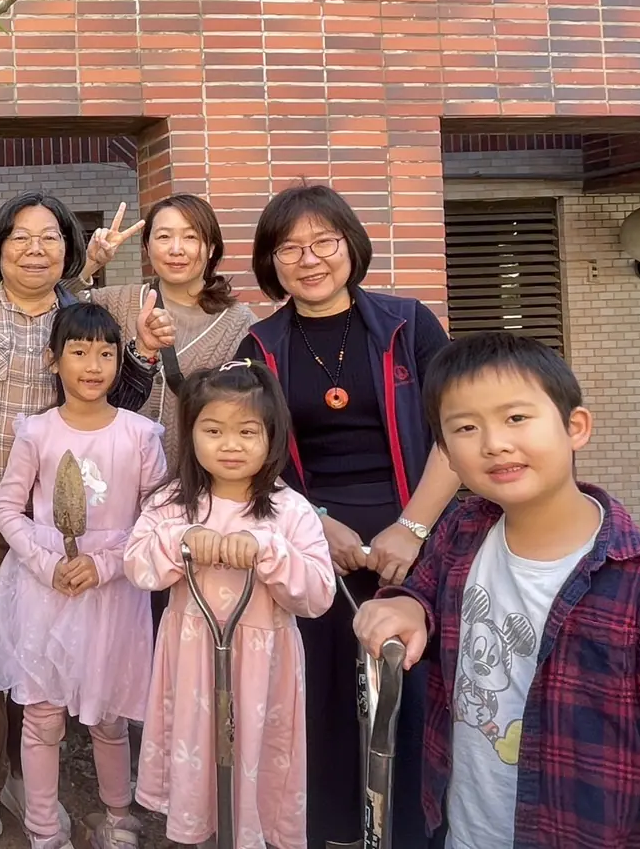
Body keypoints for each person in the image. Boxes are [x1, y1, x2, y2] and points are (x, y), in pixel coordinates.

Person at [0, 190, 171, 849]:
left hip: (59, 526)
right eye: (19, 236)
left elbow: (116, 400)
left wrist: (136, 355)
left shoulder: (81, 315)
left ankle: (29, 774)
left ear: (68, 252)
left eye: (49, 237)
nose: (34, 248)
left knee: (44, 653)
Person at [358, 331, 640, 848]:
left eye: (516, 418)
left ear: (575, 427)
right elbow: (424, 596)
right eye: (465, 427)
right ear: (447, 455)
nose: (495, 442)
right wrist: (405, 607)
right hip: (466, 829)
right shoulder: (463, 531)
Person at [233, 183, 456, 849]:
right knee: (321, 696)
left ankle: (417, 833)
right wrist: (313, 522)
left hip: (416, 530)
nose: (308, 259)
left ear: (350, 246)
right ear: (269, 262)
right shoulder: (258, 343)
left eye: (322, 242)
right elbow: (253, 452)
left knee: (414, 695)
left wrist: (412, 528)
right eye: (289, 247)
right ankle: (330, 832)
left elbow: (455, 429)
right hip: (312, 537)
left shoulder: (406, 323)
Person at [125, 359, 335, 849]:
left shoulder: (290, 510)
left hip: (265, 669)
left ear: (272, 436)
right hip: (193, 659)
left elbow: (319, 593)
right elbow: (137, 566)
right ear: (192, 435)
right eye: (213, 430)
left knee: (256, 764)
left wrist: (268, 550)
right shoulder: (172, 503)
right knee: (199, 759)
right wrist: (182, 539)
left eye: (247, 431)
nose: (231, 444)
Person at [0, 303, 168, 849]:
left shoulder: (140, 434)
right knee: (42, 715)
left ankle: (118, 818)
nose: (94, 365)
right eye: (80, 352)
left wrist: (105, 565)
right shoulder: (36, 433)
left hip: (112, 595)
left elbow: (156, 516)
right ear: (53, 359)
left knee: (108, 716)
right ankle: (44, 830)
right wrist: (47, 565)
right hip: (46, 593)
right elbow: (7, 510)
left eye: (107, 354)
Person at [80, 194, 256, 627]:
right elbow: (55, 312)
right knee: (112, 618)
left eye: (190, 237)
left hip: (192, 494)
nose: (176, 249)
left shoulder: (239, 322)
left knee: (180, 617)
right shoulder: (119, 301)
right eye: (164, 236)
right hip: (113, 486)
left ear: (211, 247)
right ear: (148, 249)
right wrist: (88, 265)